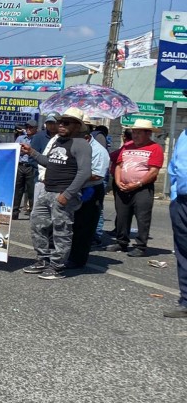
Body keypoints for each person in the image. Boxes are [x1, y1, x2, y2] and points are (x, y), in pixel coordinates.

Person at [20, 108, 91, 280]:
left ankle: (57, 266)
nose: (61, 125)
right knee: (37, 224)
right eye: (60, 122)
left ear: (77, 126)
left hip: (63, 193)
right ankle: (42, 259)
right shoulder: (58, 141)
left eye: (66, 123)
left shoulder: (81, 144)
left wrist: (67, 195)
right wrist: (32, 152)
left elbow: (84, 172)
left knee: (62, 230)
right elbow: (50, 162)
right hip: (47, 190)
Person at [107, 119, 164, 257]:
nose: (135, 135)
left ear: (148, 133)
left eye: (139, 132)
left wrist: (138, 184)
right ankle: (121, 242)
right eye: (134, 132)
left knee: (142, 217)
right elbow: (119, 165)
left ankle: (140, 246)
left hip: (142, 188)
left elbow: (153, 171)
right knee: (122, 215)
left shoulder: (155, 148)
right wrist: (118, 180)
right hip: (123, 186)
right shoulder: (127, 146)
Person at [67, 120, 110, 269]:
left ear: (86, 138)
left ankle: (78, 259)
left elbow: (98, 175)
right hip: (75, 187)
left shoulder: (99, 151)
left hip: (90, 189)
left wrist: (77, 175)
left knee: (84, 226)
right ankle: (68, 253)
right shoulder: (74, 146)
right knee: (71, 223)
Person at [165, 127, 187, 318]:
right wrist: (174, 195)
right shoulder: (184, 135)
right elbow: (174, 167)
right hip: (182, 202)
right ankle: (186, 301)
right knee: (183, 252)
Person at [13, 120, 38, 220]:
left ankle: (32, 212)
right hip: (20, 165)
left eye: (31, 127)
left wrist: (26, 151)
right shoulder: (20, 138)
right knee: (18, 189)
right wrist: (22, 151)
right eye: (27, 127)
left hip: (31, 166)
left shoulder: (37, 139)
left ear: (36, 128)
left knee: (31, 190)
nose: (28, 129)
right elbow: (15, 149)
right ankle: (14, 212)